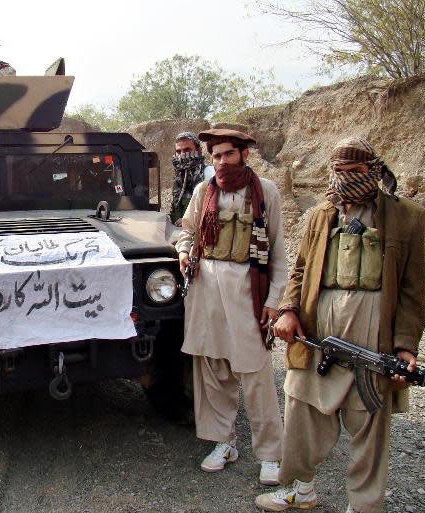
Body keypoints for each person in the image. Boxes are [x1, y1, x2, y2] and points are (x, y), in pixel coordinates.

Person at [255, 137, 425, 513]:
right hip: (318, 329)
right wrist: (288, 310)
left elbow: (413, 291)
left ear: (375, 171)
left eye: (356, 172)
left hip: (373, 333)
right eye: (339, 172)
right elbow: (300, 269)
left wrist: (405, 347)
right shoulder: (321, 215)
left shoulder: (407, 217)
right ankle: (299, 489)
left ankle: (364, 506)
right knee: (301, 408)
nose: (346, 180)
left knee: (370, 421)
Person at [176, 128, 286, 485]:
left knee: (254, 373)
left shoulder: (266, 191)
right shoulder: (203, 191)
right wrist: (182, 251)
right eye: (217, 156)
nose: (222, 161)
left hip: (245, 292)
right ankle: (223, 441)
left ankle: (270, 453)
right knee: (212, 368)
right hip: (206, 290)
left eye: (229, 154)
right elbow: (187, 231)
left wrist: (274, 301)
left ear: (244, 155)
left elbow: (279, 253)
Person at [170, 131, 206, 226]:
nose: (182, 155)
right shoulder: (178, 179)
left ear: (199, 150)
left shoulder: (209, 175)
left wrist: (189, 220)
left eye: (187, 150)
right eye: (178, 151)